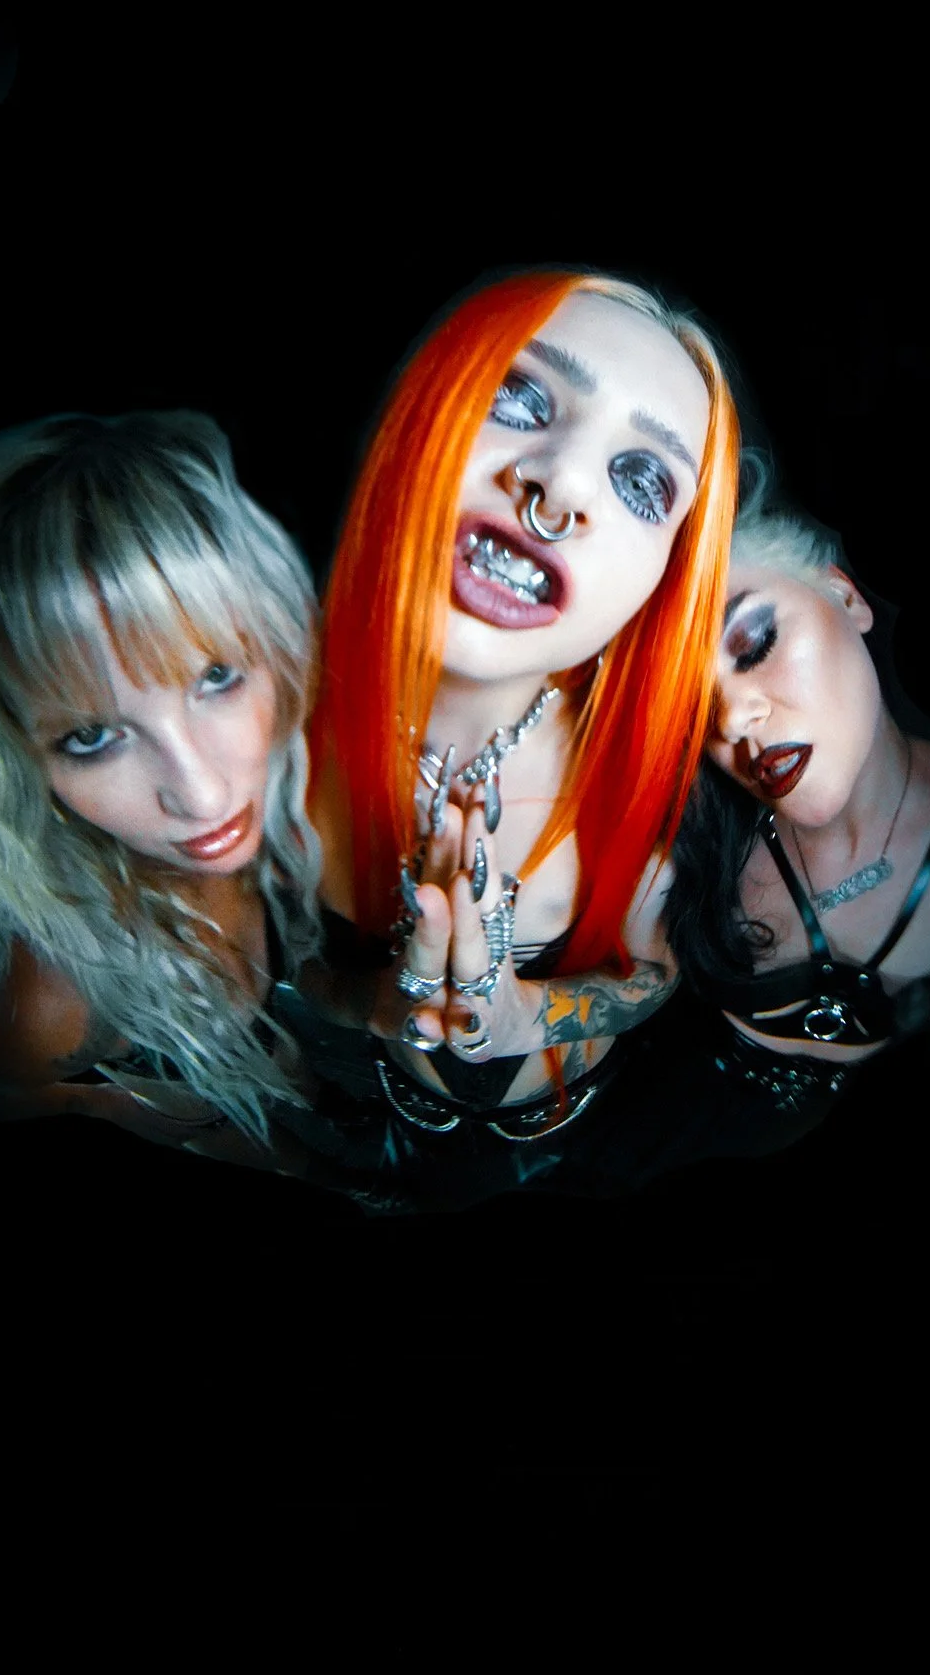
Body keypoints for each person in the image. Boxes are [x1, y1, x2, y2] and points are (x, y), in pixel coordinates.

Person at [299, 265, 741, 1212]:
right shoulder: (254, 744)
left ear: (661, 582)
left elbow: (655, 973)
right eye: (518, 396)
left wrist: (525, 1017)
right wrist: (372, 1002)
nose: (561, 483)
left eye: (642, 480)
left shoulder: (664, 784)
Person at [0, 409, 327, 1173]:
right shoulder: (48, 995)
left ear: (281, 638)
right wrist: (95, 1106)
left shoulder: (347, 797)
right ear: (23, 758)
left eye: (216, 678)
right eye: (91, 737)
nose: (201, 795)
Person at [653, 500, 930, 1169]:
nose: (732, 719)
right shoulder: (690, 851)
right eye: (692, 702)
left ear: (846, 597)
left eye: (754, 642)